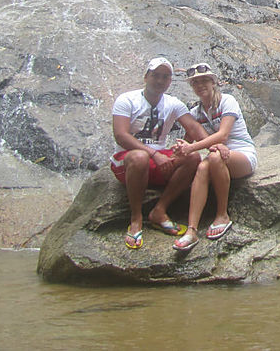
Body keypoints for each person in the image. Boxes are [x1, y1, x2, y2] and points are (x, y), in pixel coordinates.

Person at [110, 57, 208, 250]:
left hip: (158, 161)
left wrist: (214, 146)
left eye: (165, 77)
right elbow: (120, 135)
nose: (160, 81)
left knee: (193, 157)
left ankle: (159, 210)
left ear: (170, 81)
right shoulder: (127, 100)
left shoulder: (172, 103)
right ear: (146, 77)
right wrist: (154, 155)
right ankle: (136, 218)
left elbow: (194, 127)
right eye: (156, 76)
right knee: (140, 157)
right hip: (127, 159)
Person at [172, 62, 257, 251]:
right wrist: (181, 149)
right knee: (203, 166)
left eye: (204, 81)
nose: (200, 85)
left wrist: (193, 147)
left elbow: (223, 135)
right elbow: (188, 141)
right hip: (217, 156)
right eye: (195, 83)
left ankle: (222, 215)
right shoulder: (195, 113)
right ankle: (192, 230)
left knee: (215, 157)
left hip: (242, 154)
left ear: (213, 82)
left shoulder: (227, 101)